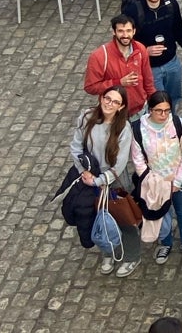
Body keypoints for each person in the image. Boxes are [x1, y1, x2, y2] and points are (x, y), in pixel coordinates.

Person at [69, 86, 140, 276]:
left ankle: (132, 256)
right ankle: (108, 252)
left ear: (121, 106)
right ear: (101, 98)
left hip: (113, 181)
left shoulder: (124, 128)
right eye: (107, 99)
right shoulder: (86, 117)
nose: (110, 104)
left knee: (123, 218)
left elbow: (120, 163)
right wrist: (84, 171)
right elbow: (76, 146)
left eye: (115, 102)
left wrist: (99, 180)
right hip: (89, 177)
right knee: (98, 218)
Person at [131, 90, 182, 264]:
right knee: (161, 213)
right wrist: (152, 181)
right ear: (150, 110)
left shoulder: (178, 124)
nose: (163, 115)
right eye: (159, 110)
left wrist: (178, 180)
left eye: (167, 110)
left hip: (178, 178)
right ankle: (165, 243)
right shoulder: (138, 129)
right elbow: (138, 160)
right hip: (155, 182)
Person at [123, 0, 182, 110]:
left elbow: (178, 28)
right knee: (158, 103)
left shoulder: (171, 5)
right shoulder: (132, 11)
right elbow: (124, 41)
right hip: (150, 68)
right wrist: (144, 51)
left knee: (174, 98)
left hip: (172, 63)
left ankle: (171, 121)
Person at [84, 14, 155, 115]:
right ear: (114, 32)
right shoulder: (99, 56)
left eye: (128, 31)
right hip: (114, 114)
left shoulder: (140, 49)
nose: (125, 35)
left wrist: (154, 103)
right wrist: (119, 82)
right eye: (121, 31)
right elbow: (90, 87)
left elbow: (148, 80)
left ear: (134, 31)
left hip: (140, 111)